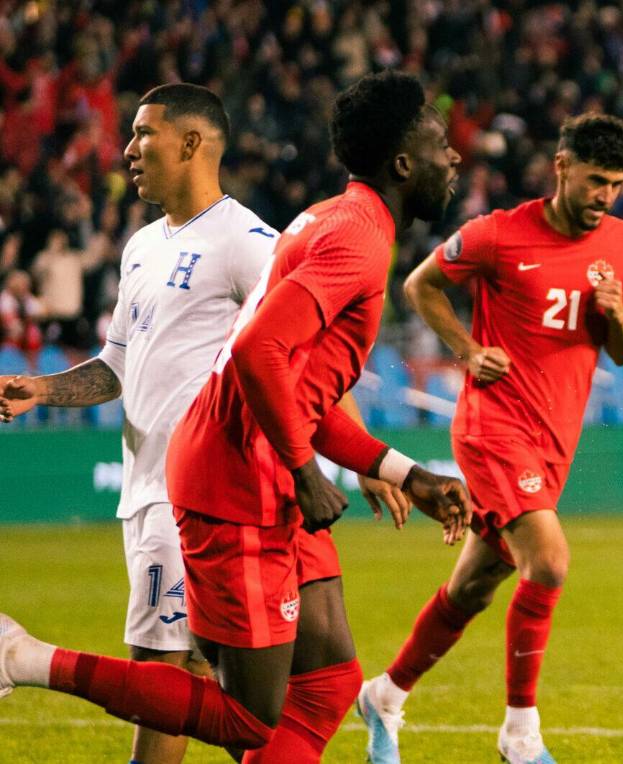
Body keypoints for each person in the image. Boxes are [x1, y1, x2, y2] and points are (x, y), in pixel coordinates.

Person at [0, 70, 470, 763]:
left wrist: (400, 470)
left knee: (327, 682)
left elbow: (300, 385)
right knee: (241, 713)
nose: (455, 155)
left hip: (245, 464)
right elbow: (259, 351)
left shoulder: (317, 222)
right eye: (441, 141)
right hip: (234, 475)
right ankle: (25, 657)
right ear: (403, 162)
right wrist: (310, 471)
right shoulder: (353, 240)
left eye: (142, 133)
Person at [0, 82, 282, 764]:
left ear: (190, 143)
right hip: (145, 487)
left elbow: (288, 354)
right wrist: (42, 387)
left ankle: (20, 659)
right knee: (208, 681)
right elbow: (116, 365)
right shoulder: (140, 247)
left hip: (194, 495)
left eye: (141, 134)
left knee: (162, 670)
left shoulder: (248, 243)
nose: (126, 149)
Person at [356, 113, 623, 764]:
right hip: (494, 426)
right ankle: (520, 734)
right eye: (596, 181)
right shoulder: (498, 234)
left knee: (473, 589)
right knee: (547, 561)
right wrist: (465, 350)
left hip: (554, 439)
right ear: (562, 167)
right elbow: (419, 285)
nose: (606, 196)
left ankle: (386, 692)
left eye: (617, 184)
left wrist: (615, 314)